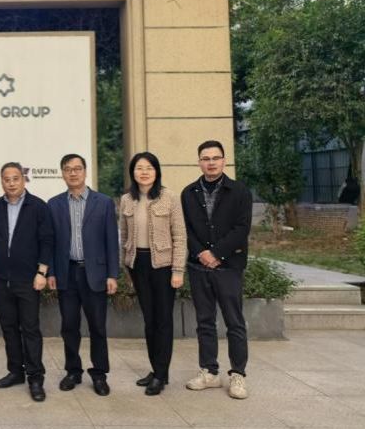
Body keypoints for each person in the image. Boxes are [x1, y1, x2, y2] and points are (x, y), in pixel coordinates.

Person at [182, 140, 252, 399]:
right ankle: (209, 372)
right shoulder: (189, 193)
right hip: (199, 266)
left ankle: (238, 374)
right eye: (205, 158)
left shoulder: (240, 191)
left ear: (224, 160)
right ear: (199, 162)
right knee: (205, 321)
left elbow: (242, 228)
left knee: (234, 322)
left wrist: (217, 254)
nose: (210, 163)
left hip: (229, 266)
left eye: (215, 158)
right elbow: (185, 229)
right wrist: (201, 253)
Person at [47, 154, 118, 397]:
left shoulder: (103, 202)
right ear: (62, 173)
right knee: (69, 326)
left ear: (85, 171)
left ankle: (99, 374)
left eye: (77, 168)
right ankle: (73, 371)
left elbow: (111, 241)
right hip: (66, 273)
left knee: (97, 326)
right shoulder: (54, 204)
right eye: (68, 169)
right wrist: (51, 272)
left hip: (95, 273)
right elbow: (51, 242)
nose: (73, 173)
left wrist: (112, 274)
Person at [119, 152, 186, 396]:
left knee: (163, 321)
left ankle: (161, 374)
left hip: (164, 266)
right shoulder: (127, 199)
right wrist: (126, 266)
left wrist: (178, 270)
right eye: (139, 168)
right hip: (138, 264)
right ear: (133, 172)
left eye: (149, 167)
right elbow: (123, 235)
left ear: (156, 171)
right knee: (149, 321)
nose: (144, 172)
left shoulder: (169, 198)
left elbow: (180, 236)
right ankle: (156, 369)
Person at [0, 162, 53, 402]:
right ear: (2, 181)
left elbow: (47, 241)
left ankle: (35, 377)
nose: (11, 183)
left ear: (23, 180)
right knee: (9, 328)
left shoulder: (38, 206)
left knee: (30, 329)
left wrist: (41, 272)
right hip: (2, 279)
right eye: (7, 179)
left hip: (28, 279)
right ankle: (15, 371)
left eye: (15, 178)